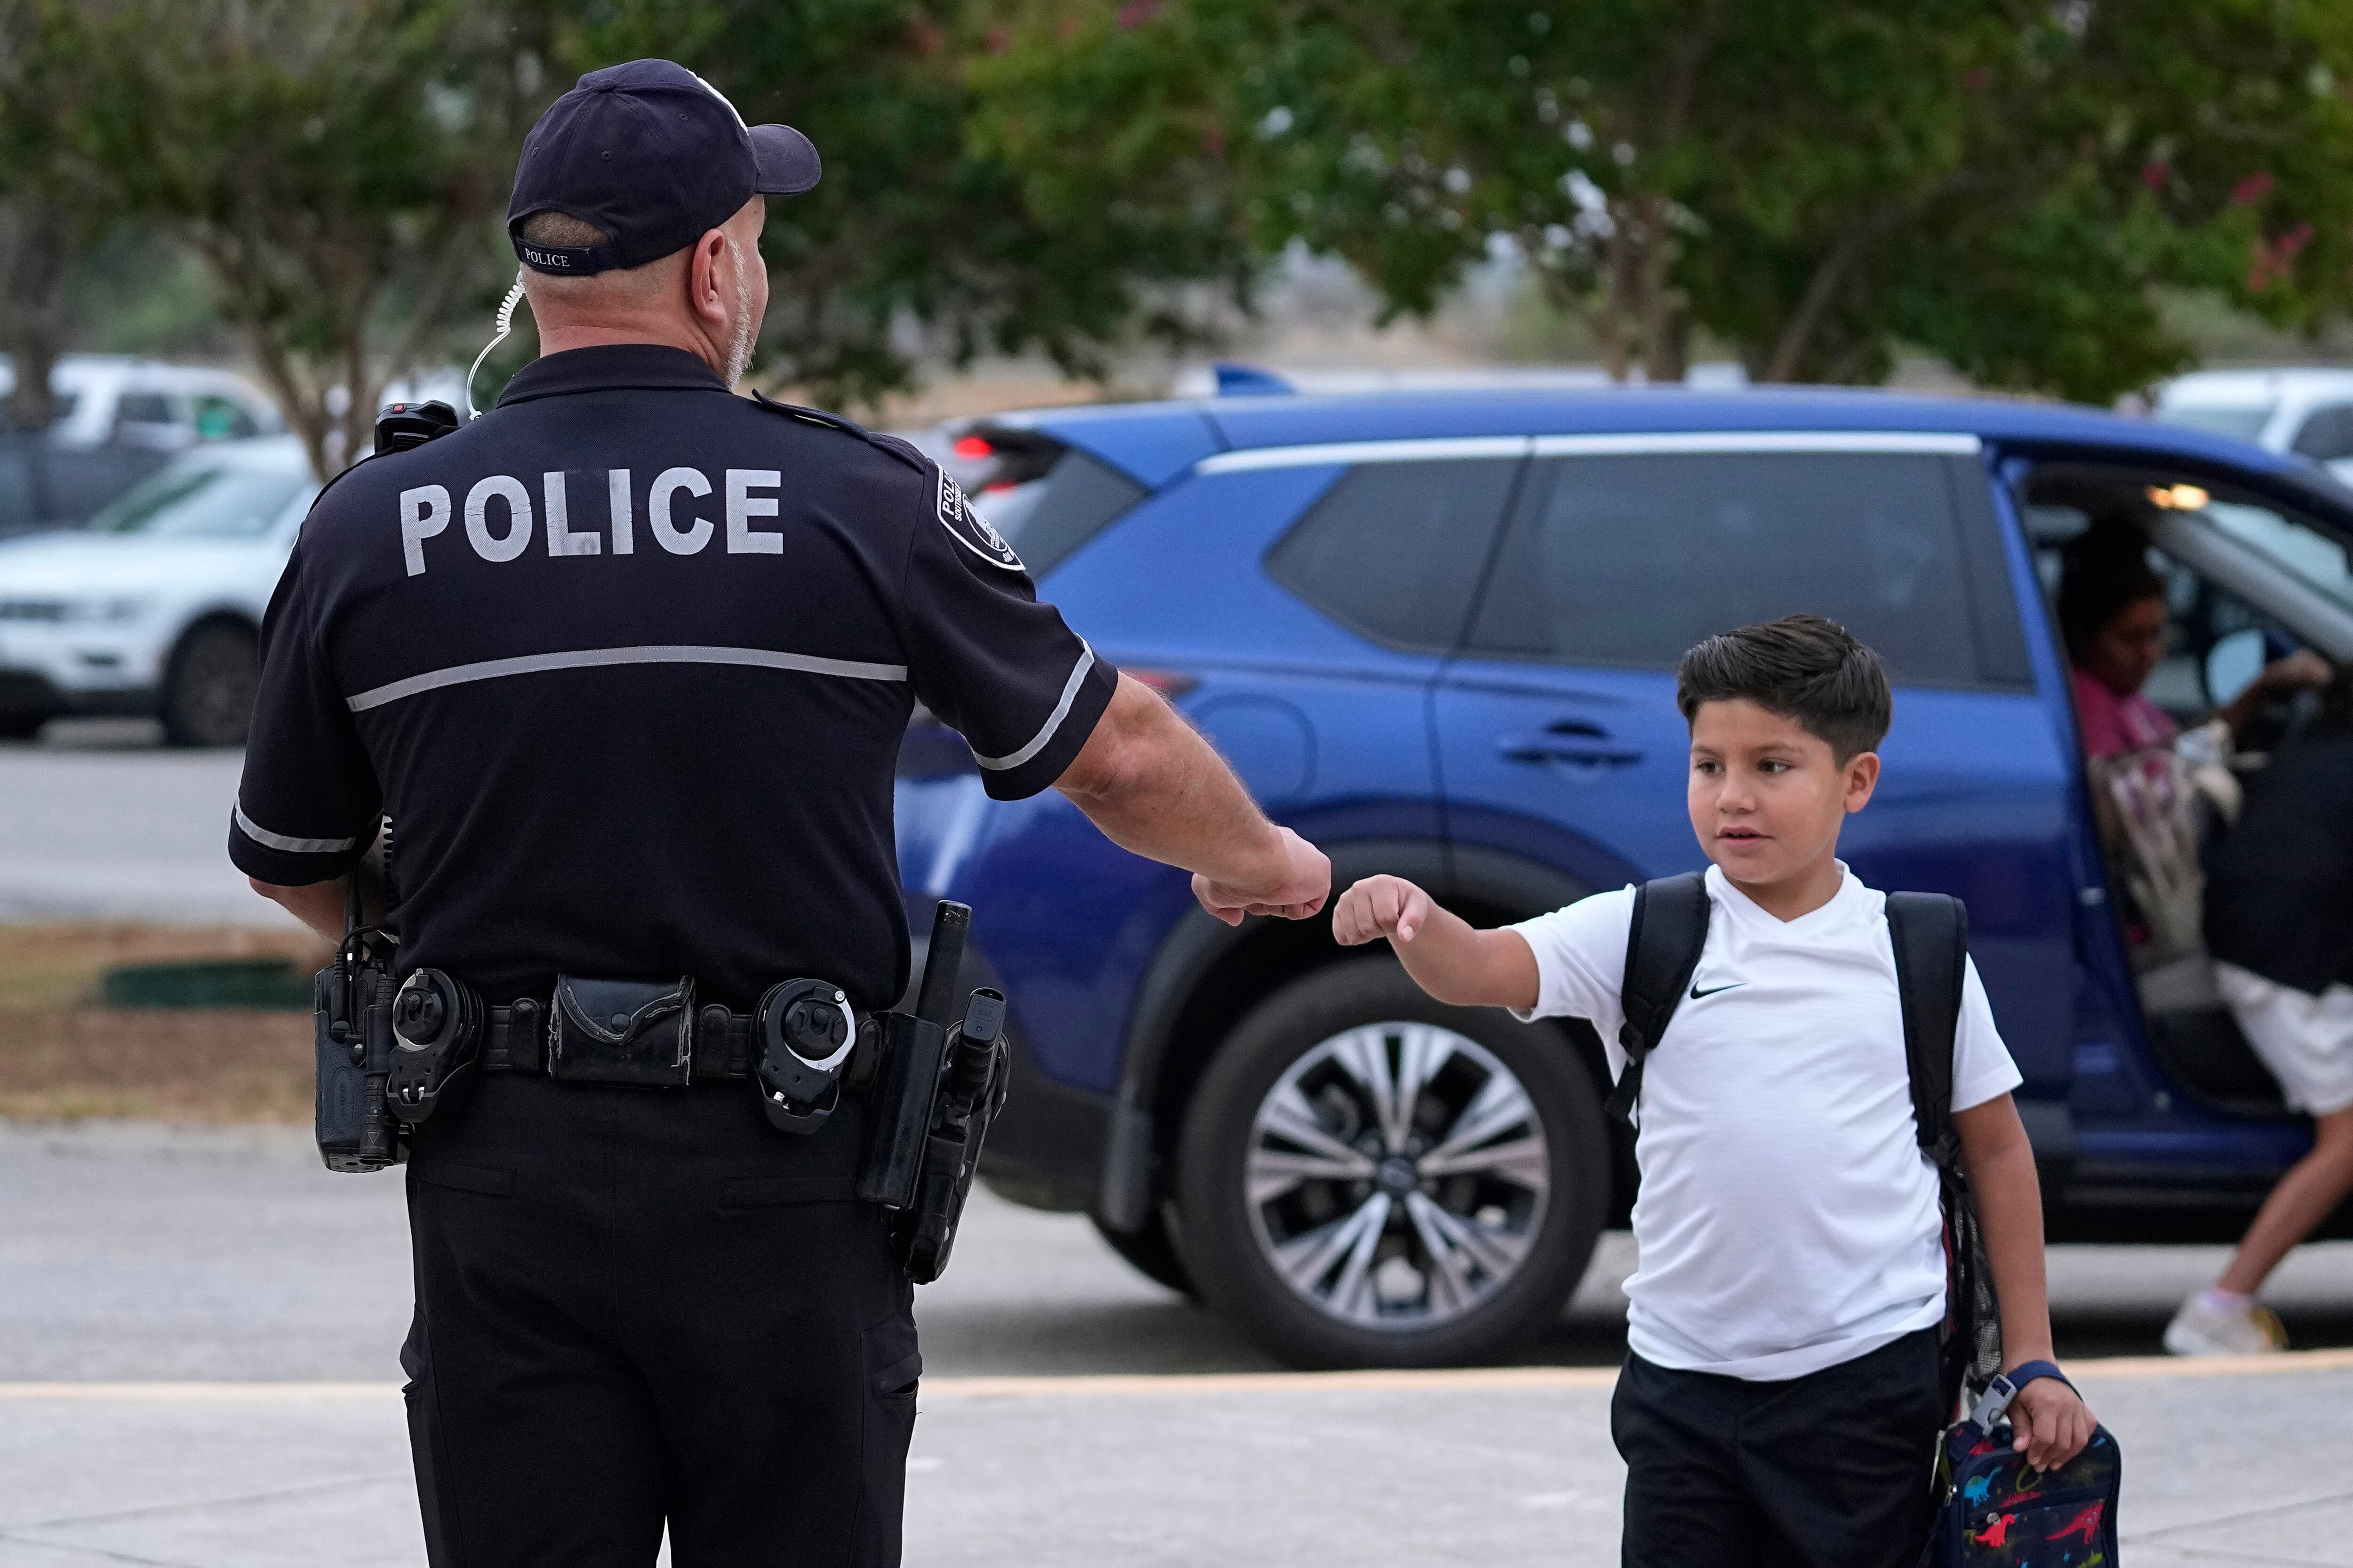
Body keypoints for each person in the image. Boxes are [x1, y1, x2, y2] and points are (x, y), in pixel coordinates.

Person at [228, 59, 1328, 1568]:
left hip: (503, 1172)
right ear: (711, 271)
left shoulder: (371, 526)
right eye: (758, 237)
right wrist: (1261, 861)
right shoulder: (854, 500)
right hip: (785, 1161)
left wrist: (455, 969)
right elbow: (1114, 751)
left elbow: (291, 861)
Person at [1329, 615, 2094, 1566]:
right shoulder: (1646, 930)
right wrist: (1413, 918)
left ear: (1855, 781)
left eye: (1773, 766)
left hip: (1864, 1384)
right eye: (1708, 765)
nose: (1733, 796)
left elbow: (1995, 1147)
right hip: (1679, 1384)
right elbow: (1484, 965)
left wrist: (2031, 1357)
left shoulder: (1914, 950)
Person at [2165, 667, 2353, 1356]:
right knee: (2347, 1143)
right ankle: (2217, 1309)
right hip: (2285, 963)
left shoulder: (2309, 754)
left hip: (2257, 940)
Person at [2057, 516, 2327, 760]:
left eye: (2156, 634)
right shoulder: (2085, 705)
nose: (2149, 653)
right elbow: (2162, 773)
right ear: (2084, 635)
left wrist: (2262, 688)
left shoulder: (2125, 697)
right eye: (2130, 638)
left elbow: (2182, 747)